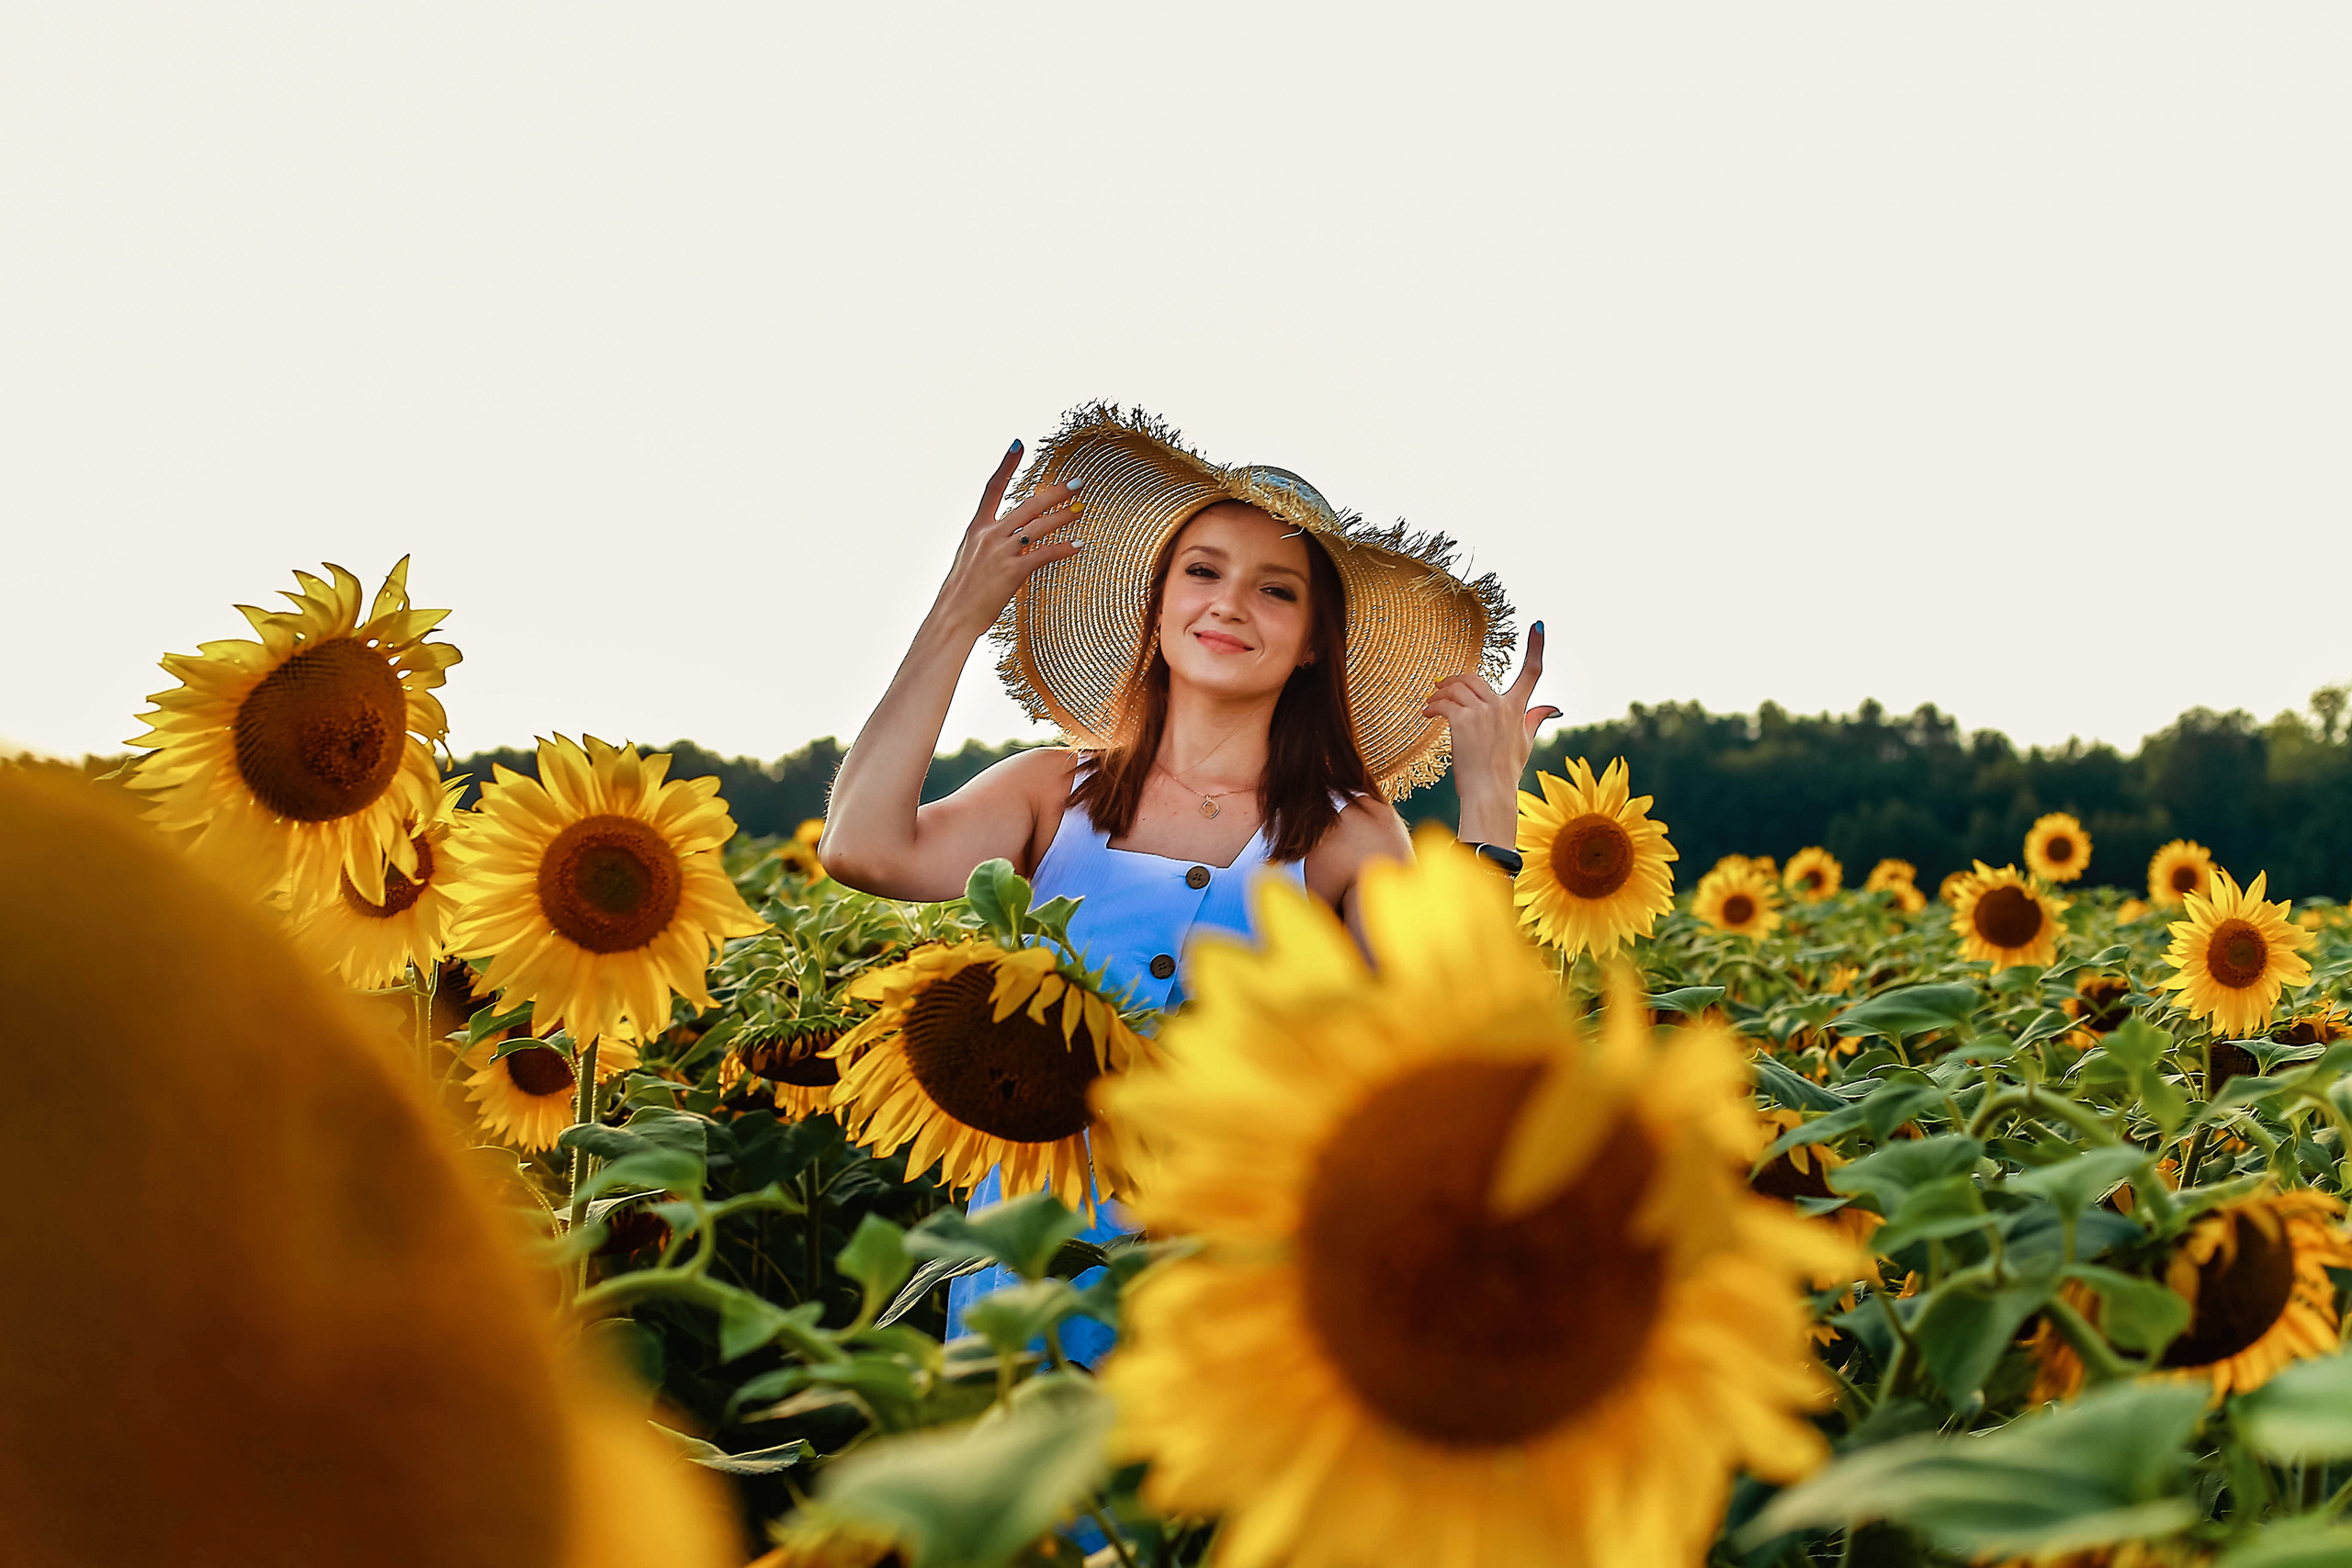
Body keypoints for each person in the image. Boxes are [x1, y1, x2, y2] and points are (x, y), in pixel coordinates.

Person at [819, 404, 1551, 1360]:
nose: (1229, 604)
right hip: (1027, 1273)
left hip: (1227, 1286)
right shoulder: (1052, 791)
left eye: (1276, 590)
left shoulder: (1340, 833)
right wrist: (958, 613)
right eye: (1201, 571)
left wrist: (1491, 805)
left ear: (1315, 641)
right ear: (1157, 603)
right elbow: (864, 848)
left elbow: (1442, 1045)